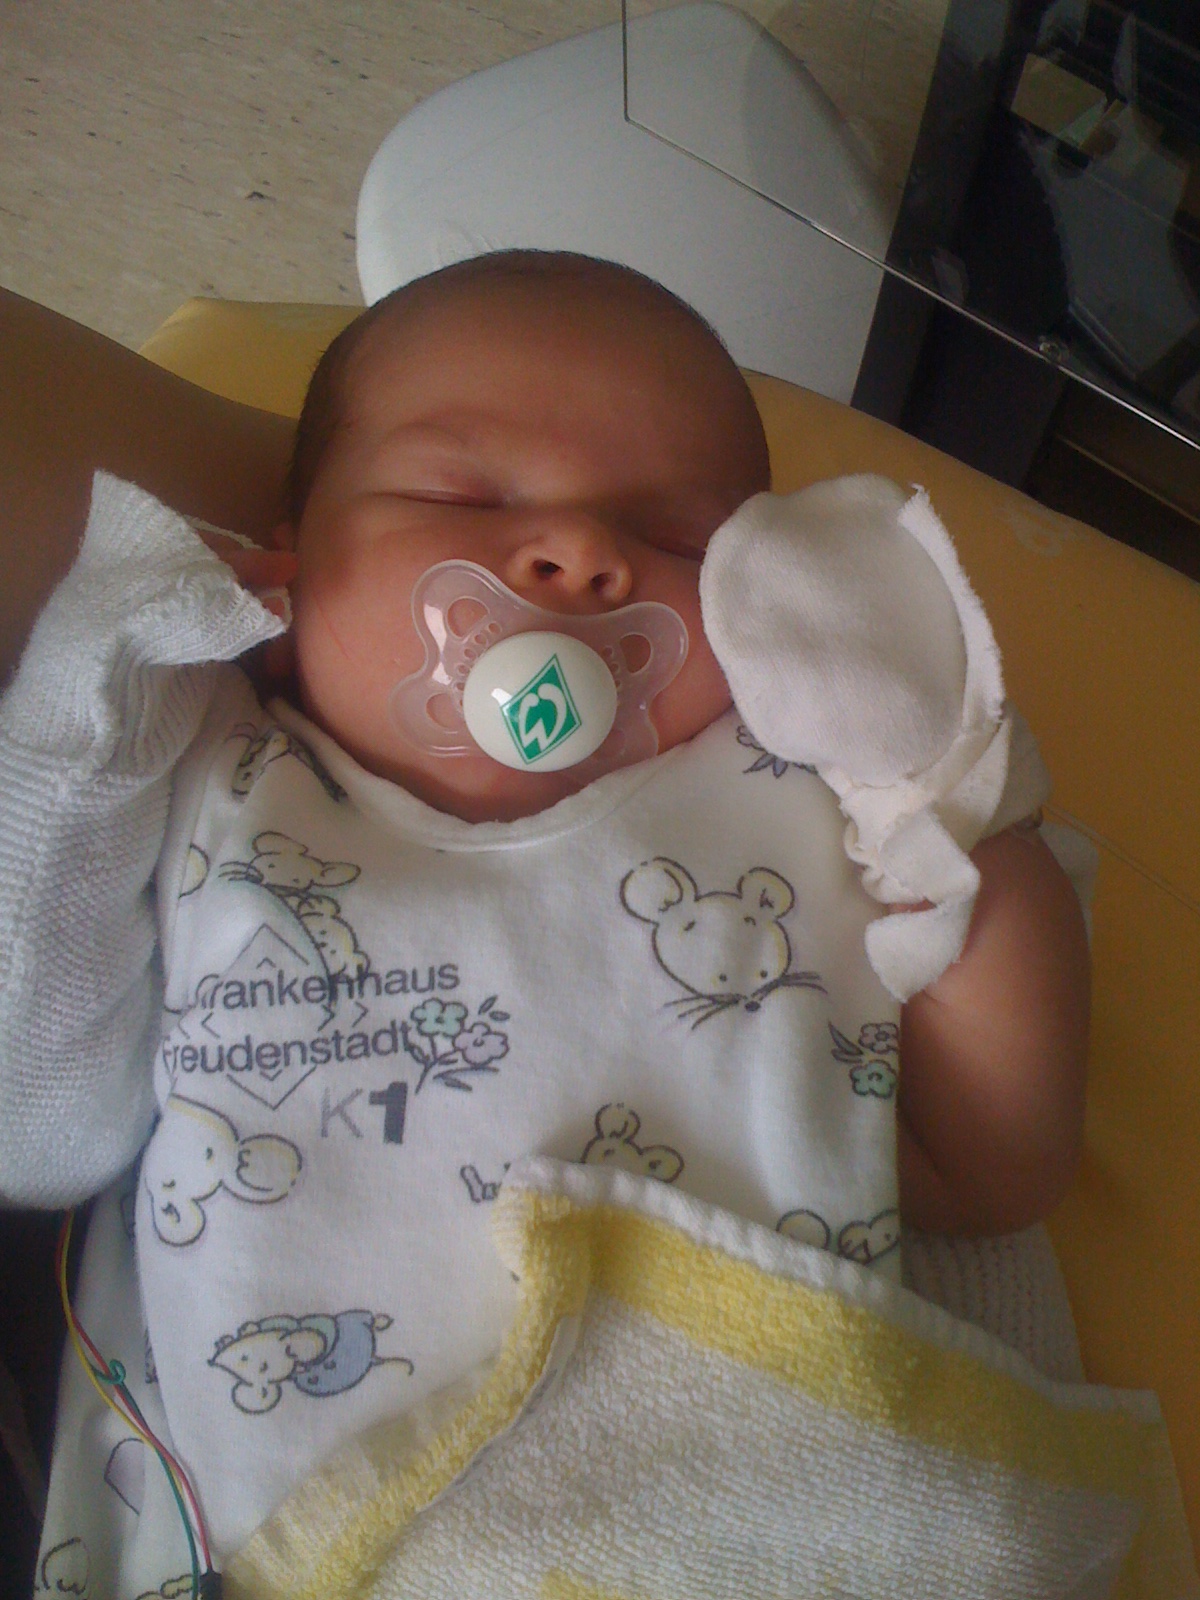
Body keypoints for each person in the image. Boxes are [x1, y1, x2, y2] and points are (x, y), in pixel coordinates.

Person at [0, 254, 1089, 1589]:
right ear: (283, 575)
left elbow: (991, 1174)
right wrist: (84, 725)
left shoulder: (802, 800)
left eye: (680, 536)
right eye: (460, 498)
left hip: (753, 1510)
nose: (580, 553)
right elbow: (45, 1131)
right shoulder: (213, 776)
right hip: (312, 1545)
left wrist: (957, 815)